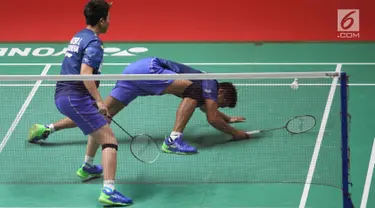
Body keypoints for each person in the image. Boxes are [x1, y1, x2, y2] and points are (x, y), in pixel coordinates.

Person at [28, 57, 249, 155]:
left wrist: (228, 119)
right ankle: (173, 140)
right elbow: (211, 117)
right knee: (192, 90)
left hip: (135, 72)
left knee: (100, 113)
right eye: (223, 103)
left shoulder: (206, 91)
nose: (218, 107)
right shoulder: (209, 82)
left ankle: (48, 128)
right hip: (149, 70)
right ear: (220, 91)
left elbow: (208, 109)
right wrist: (234, 132)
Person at [37, 0, 132, 206]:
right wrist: (99, 101)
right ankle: (109, 190)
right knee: (109, 140)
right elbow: (85, 74)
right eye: (108, 18)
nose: (110, 21)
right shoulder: (94, 43)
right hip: (74, 96)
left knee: (98, 126)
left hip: (65, 94)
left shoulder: (79, 35)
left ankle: (88, 166)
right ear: (101, 20)